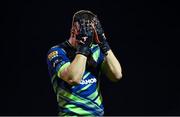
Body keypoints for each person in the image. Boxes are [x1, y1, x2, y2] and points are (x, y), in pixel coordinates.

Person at [47, 10, 123, 116]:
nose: (89, 34)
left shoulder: (95, 50)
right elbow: (73, 78)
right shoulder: (57, 51)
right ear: (73, 30)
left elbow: (117, 75)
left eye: (91, 30)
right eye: (85, 30)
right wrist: (84, 47)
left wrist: (104, 43)